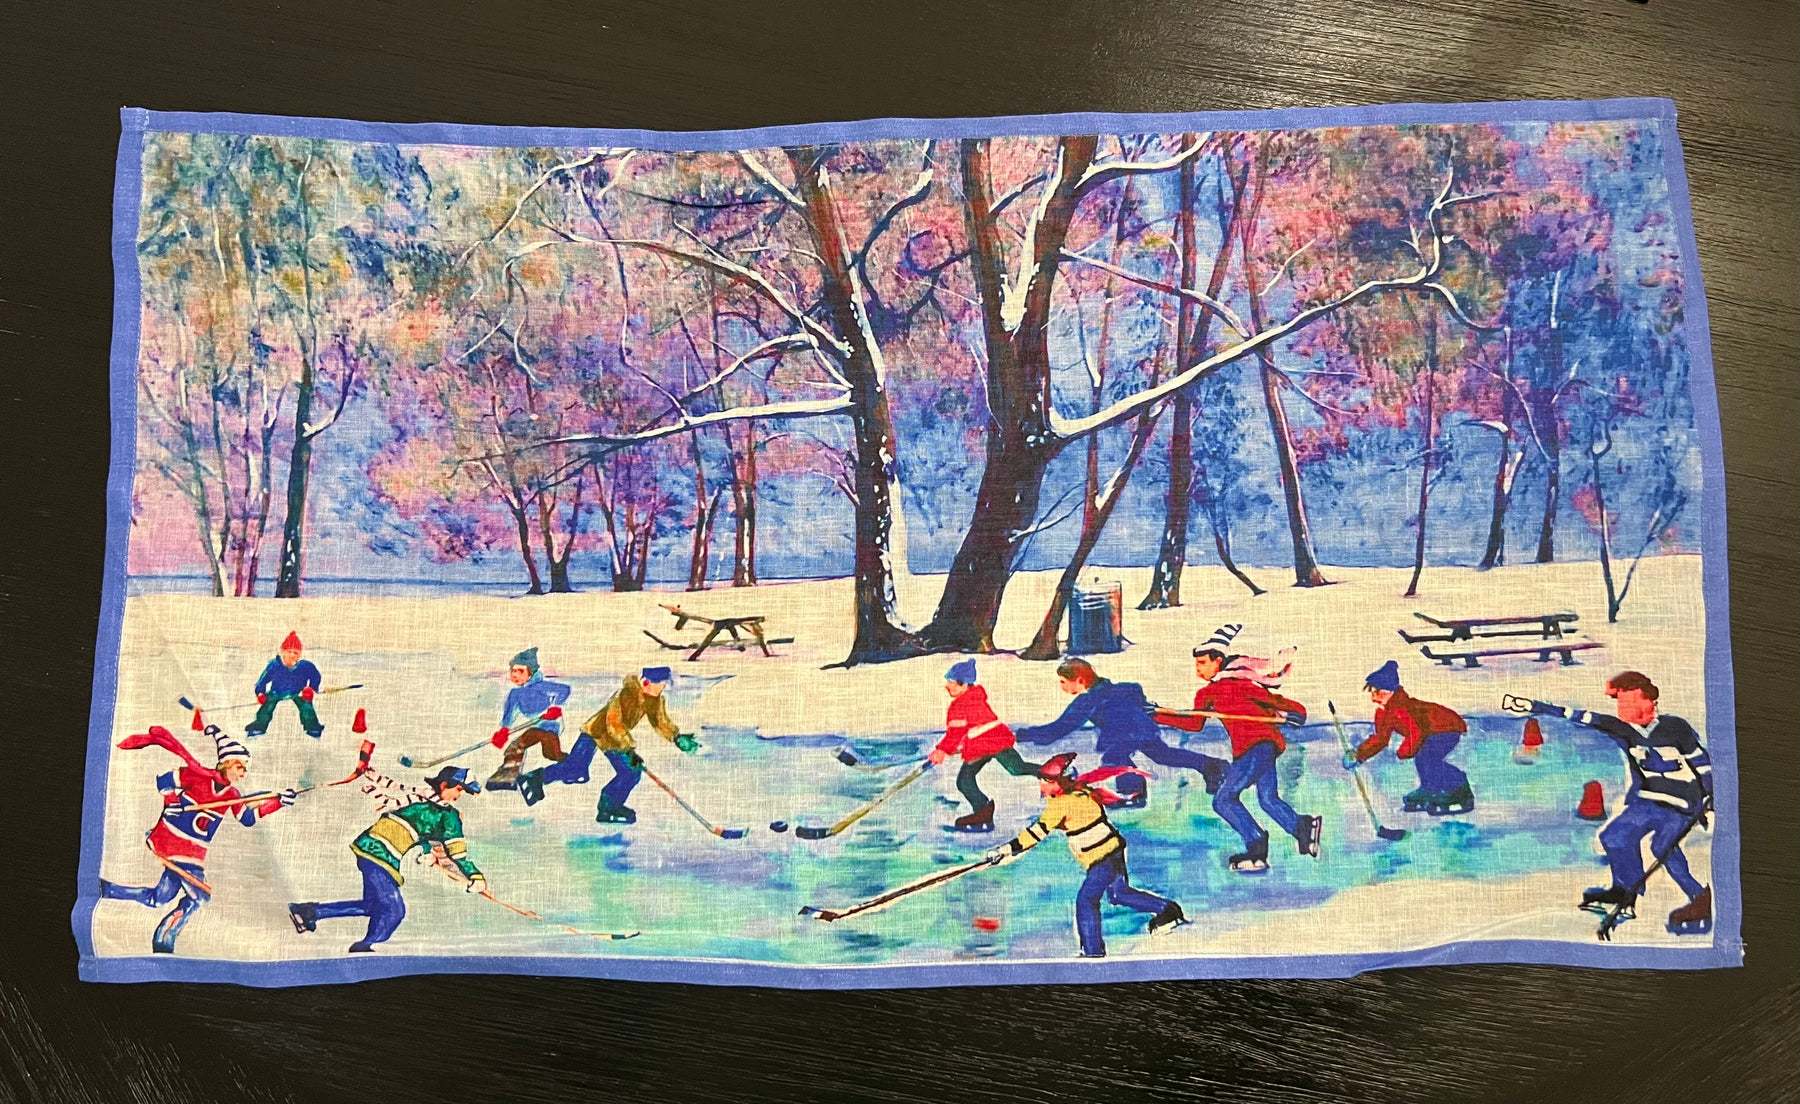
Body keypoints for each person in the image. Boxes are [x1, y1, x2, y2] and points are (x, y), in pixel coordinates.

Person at [1523, 672, 1714, 934]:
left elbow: (1702, 763)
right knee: (1615, 836)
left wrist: (1711, 797)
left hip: (1682, 803)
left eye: (1629, 703)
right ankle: (1625, 891)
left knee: (1662, 846)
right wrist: (1537, 707)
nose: (1623, 710)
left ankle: (1699, 897)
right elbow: (1585, 717)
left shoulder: (1675, 727)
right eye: (1620, 704)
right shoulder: (1623, 729)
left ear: (1650, 701)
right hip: (1648, 800)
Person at [100, 724, 294, 953]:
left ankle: (108, 890)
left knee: (159, 899)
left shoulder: (232, 795)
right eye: (240, 766)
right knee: (200, 897)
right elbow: (165, 780)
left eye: (245, 768)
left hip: (193, 853)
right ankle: (165, 938)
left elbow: (247, 818)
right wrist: (171, 802)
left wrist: (278, 802)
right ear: (226, 764)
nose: (243, 773)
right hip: (172, 842)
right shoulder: (198, 776)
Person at [1151, 623, 1320, 874]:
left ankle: (1256, 846)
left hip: (1258, 747)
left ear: (1218, 661)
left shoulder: (1241, 684)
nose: (1198, 669)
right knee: (1268, 799)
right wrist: (1158, 714)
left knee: (1224, 800)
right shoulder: (1208, 693)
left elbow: (1276, 701)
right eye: (1196, 664)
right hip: (1253, 750)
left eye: (1203, 663)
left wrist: (1296, 713)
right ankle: (1302, 828)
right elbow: (1194, 723)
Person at [985, 752, 1185, 957]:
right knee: (1119, 894)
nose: (1041, 784)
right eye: (1042, 779)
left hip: (1101, 858)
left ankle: (1092, 952)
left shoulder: (1062, 804)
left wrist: (1005, 850)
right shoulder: (1081, 793)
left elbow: (1035, 833)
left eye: (1046, 781)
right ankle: (1167, 910)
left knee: (1086, 900)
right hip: (1114, 850)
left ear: (1059, 783)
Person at [287, 765, 486, 953]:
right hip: (380, 853)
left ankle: (309, 912)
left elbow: (424, 831)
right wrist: (475, 876)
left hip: (372, 848)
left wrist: (428, 851)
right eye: (459, 789)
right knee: (393, 910)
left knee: (373, 906)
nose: (459, 795)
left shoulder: (425, 800)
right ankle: (365, 948)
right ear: (444, 785)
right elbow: (457, 852)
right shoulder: (445, 813)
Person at [1013, 657, 1224, 811]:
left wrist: (1023, 735)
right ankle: (1211, 765)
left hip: (1125, 736)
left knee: (1114, 759)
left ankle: (1133, 793)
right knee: (1164, 755)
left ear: (1079, 679)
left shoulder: (1088, 700)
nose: (1062, 687)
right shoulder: (1124, 688)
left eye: (1063, 681)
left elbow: (1059, 728)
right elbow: (1136, 692)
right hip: (1144, 729)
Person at [928, 659, 1041, 832]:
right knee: (1018, 768)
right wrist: (959, 744)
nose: (947, 686)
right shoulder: (975, 697)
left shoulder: (960, 705)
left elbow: (955, 733)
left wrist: (941, 750)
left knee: (965, 781)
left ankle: (983, 815)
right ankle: (1057, 774)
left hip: (984, 745)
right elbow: (971, 726)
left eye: (951, 682)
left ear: (964, 684)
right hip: (997, 740)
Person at [1348, 660, 1473, 815]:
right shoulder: (1384, 711)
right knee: (1424, 758)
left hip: (1447, 727)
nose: (1373, 697)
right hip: (1430, 732)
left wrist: (1405, 751)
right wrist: (1359, 755)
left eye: (1377, 692)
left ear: (1389, 690)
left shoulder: (1401, 707)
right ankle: (1429, 788)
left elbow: (1416, 732)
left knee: (1427, 757)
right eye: (1372, 693)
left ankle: (1460, 789)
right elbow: (1381, 738)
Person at [582, 666, 698, 824]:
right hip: (601, 733)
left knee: (631, 772)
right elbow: (614, 724)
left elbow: (660, 721)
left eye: (665, 685)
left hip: (617, 737)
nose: (663, 688)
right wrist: (629, 750)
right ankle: (607, 808)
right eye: (661, 685)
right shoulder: (626, 695)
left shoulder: (655, 699)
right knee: (627, 771)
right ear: (646, 683)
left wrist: (676, 737)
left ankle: (610, 807)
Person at [484, 647, 574, 795]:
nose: (515, 675)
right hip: (536, 725)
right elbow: (509, 713)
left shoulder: (541, 686)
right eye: (513, 671)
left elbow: (564, 690)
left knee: (545, 752)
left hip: (550, 724)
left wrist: (554, 707)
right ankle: (507, 777)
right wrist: (504, 730)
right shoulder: (515, 693)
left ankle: (572, 766)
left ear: (531, 672)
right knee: (527, 749)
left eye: (520, 671)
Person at [245, 631, 324, 739]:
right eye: (289, 651)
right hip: (277, 692)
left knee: (307, 707)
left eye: (296, 653)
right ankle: (258, 727)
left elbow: (316, 676)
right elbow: (262, 681)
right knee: (267, 706)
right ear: (283, 651)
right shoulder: (275, 665)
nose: (292, 655)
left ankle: (312, 727)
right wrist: (260, 693)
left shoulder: (305, 666)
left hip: (298, 692)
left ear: (300, 654)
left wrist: (311, 689)